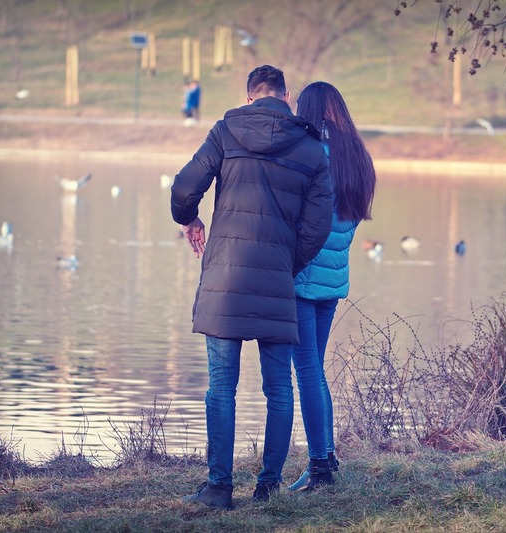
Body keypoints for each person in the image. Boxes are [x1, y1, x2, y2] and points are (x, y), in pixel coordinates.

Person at [171, 65, 334, 509]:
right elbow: (318, 227)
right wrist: (285, 262)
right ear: (286, 96)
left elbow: (186, 186)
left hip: (225, 277)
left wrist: (188, 218)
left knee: (221, 386)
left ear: (250, 98)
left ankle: (219, 489)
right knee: (278, 388)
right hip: (276, 282)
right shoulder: (311, 148)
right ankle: (267, 488)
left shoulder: (226, 130)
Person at [287, 81, 377, 491]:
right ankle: (327, 458)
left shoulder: (312, 155)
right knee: (314, 369)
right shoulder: (357, 157)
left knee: (308, 371)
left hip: (304, 277)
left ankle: (321, 465)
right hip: (334, 278)